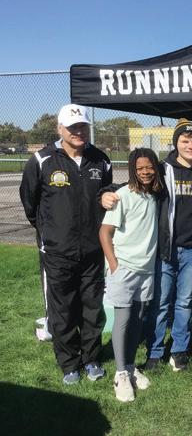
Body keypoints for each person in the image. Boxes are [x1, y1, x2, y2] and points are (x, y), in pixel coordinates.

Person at [103, 118, 192, 371]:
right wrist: (106, 193)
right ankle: (154, 352)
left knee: (185, 302)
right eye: (185, 141)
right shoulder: (163, 169)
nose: (190, 145)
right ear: (176, 143)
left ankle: (179, 350)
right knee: (161, 303)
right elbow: (133, 181)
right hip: (165, 249)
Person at [19, 104, 112, 384]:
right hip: (57, 252)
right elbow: (30, 203)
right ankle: (70, 363)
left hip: (93, 250)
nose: (78, 132)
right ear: (60, 129)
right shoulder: (41, 160)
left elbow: (105, 193)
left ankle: (91, 359)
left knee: (92, 308)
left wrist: (106, 197)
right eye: (72, 127)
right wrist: (52, 232)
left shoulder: (101, 160)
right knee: (62, 310)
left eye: (82, 126)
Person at [99, 148, 163, 402]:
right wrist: (114, 265)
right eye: (140, 168)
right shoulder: (122, 195)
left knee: (137, 319)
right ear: (132, 170)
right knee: (123, 319)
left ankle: (130, 366)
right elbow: (104, 232)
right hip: (124, 268)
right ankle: (120, 374)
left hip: (146, 269)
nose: (145, 172)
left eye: (149, 167)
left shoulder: (154, 195)